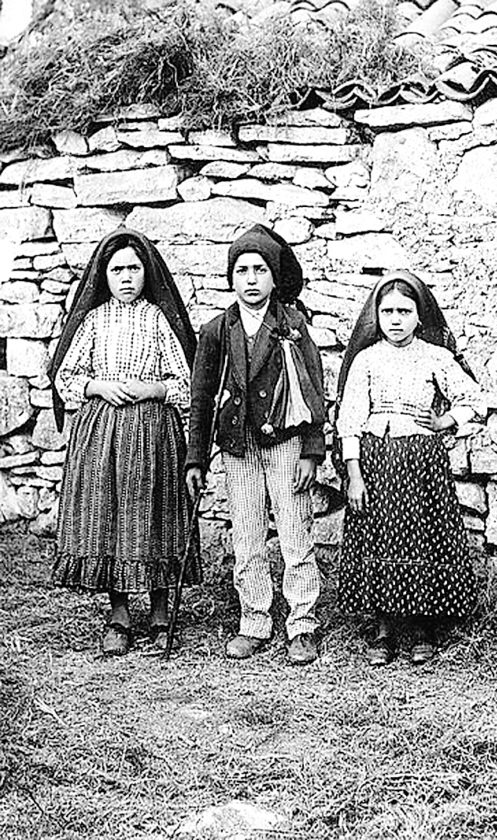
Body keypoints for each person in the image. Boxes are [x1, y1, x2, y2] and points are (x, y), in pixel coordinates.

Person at [49, 229, 200, 656]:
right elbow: (65, 377)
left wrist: (152, 389)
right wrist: (98, 385)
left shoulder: (158, 319)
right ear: (105, 275)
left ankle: (159, 612)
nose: (127, 277)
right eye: (117, 270)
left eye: (134, 268)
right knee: (110, 518)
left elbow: (185, 381)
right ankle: (119, 615)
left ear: (146, 272)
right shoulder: (94, 320)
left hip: (153, 431)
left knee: (154, 516)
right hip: (103, 432)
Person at [186, 224, 325, 665]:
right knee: (247, 535)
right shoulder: (216, 330)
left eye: (260, 270)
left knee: (294, 531)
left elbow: (313, 388)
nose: (251, 279)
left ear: (273, 277)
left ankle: (302, 623)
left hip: (285, 443)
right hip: (238, 446)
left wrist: (311, 451)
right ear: (231, 277)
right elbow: (201, 397)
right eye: (242, 270)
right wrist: (196, 458)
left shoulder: (292, 325)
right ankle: (254, 620)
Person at [335, 270, 485, 666]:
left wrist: (446, 420)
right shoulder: (366, 359)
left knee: (421, 536)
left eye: (404, 311)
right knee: (381, 537)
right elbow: (350, 421)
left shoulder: (435, 357)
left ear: (420, 316)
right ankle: (384, 628)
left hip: (422, 463)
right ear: (376, 316)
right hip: (376, 461)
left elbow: (474, 399)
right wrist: (354, 475)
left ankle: (422, 627)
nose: (396, 320)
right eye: (387, 312)